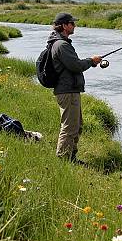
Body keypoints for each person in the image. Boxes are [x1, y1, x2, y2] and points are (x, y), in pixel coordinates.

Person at [47, 12, 102, 162]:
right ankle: (64, 158)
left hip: (69, 89)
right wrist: (91, 61)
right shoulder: (61, 45)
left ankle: (71, 156)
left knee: (76, 125)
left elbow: (74, 65)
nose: (74, 26)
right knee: (70, 127)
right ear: (64, 26)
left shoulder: (60, 43)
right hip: (67, 91)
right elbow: (76, 66)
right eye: (72, 23)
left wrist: (90, 62)